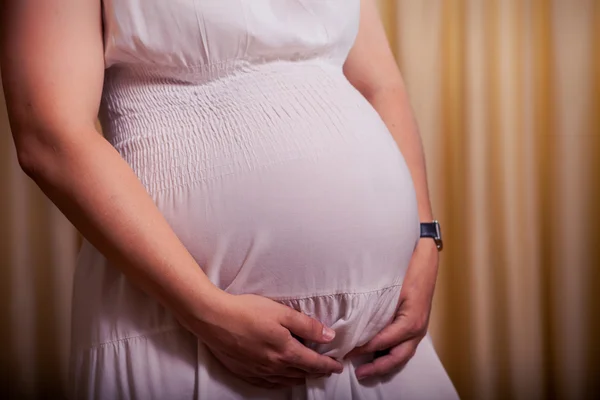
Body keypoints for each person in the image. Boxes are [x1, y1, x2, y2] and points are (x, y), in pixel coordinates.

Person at [1, 0, 459, 398]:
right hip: (182, 333)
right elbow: (48, 132)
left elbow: (380, 83)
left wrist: (423, 235)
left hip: (375, 352)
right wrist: (206, 311)